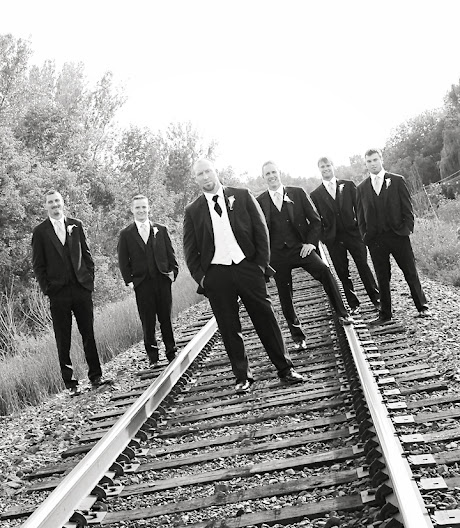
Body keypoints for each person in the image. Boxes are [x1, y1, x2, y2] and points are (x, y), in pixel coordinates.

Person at [183, 159, 304, 392]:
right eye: (200, 174)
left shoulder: (242, 195)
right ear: (196, 179)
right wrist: (203, 278)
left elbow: (261, 231)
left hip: (247, 267)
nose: (205, 177)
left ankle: (285, 369)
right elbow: (190, 249)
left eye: (208, 171)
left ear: (215, 171)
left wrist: (260, 265)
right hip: (217, 274)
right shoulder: (193, 210)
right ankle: (242, 377)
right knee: (228, 328)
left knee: (266, 319)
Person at [257, 161, 353, 350]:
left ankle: (343, 313)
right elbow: (257, 231)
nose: (271, 176)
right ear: (263, 177)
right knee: (285, 294)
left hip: (300, 248)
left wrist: (310, 243)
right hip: (277, 254)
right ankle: (298, 337)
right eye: (267, 174)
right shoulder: (259, 201)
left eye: (274, 172)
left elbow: (316, 220)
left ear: (279, 173)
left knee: (324, 270)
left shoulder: (297, 193)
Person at [31, 190, 111, 395]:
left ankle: (96, 376)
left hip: (81, 288)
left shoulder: (76, 225)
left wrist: (89, 281)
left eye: (57, 201)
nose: (54, 205)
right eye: (50, 202)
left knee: (88, 333)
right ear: (46, 206)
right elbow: (38, 265)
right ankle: (71, 383)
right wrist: (48, 289)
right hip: (58, 293)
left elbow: (87, 255)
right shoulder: (40, 232)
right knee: (63, 338)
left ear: (63, 202)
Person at [356, 148, 429, 324]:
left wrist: (406, 229)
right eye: (369, 161)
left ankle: (422, 307)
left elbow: (407, 208)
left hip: (398, 235)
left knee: (410, 271)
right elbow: (360, 215)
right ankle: (385, 314)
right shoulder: (361, 188)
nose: (372, 164)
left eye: (375, 160)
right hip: (376, 239)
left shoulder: (396, 180)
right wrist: (366, 237)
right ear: (366, 164)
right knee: (382, 277)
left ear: (381, 160)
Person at [310, 157, 380, 314]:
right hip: (333, 239)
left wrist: (361, 229)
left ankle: (376, 299)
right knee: (342, 272)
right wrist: (324, 238)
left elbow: (360, 208)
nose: (326, 168)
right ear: (319, 169)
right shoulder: (316, 194)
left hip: (354, 234)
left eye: (328, 165)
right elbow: (316, 219)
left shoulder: (348, 185)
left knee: (363, 266)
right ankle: (353, 304)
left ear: (333, 166)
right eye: (322, 166)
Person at [117, 194, 178, 366]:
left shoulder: (161, 229)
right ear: (132, 209)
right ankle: (153, 357)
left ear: (148, 208)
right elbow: (123, 259)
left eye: (144, 207)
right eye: (137, 207)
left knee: (166, 318)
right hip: (142, 283)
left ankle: (171, 352)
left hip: (162, 280)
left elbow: (170, 253)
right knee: (147, 321)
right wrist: (130, 281)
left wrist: (173, 272)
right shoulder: (126, 234)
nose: (141, 210)